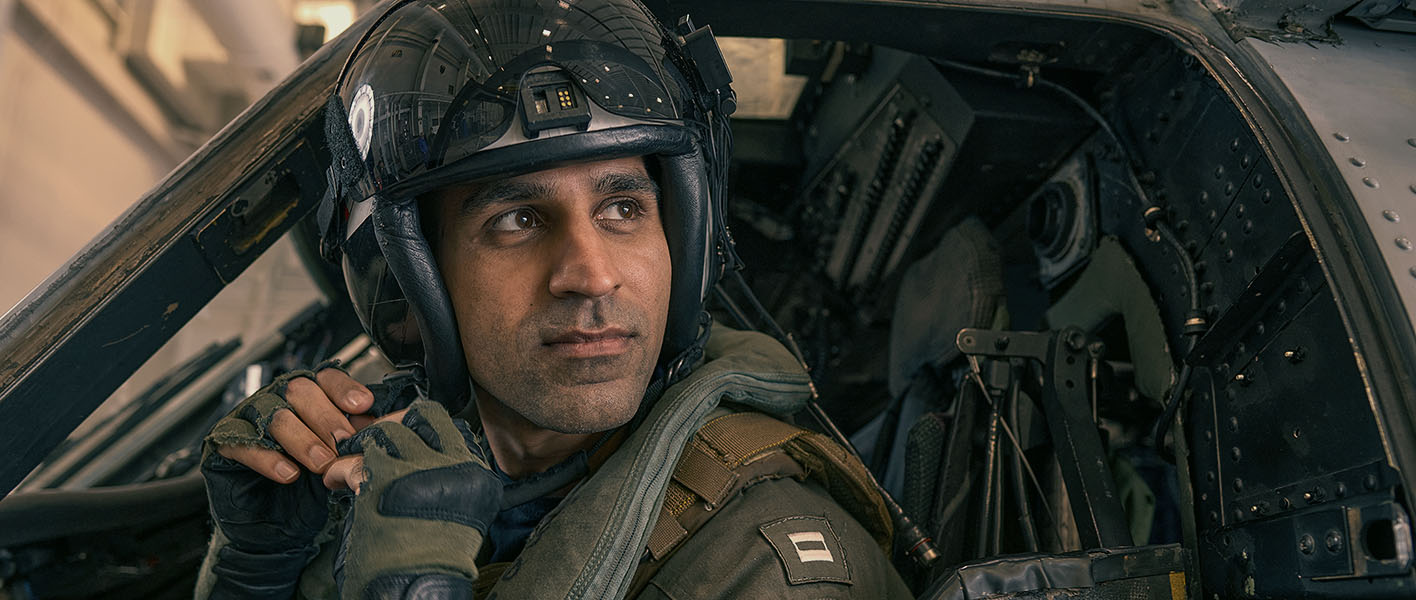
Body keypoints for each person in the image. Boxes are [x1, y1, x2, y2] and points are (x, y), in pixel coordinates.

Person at [194, 1, 914, 598]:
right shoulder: (382, 486)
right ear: (410, 280)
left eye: (624, 209)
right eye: (518, 220)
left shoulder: (775, 573)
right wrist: (256, 574)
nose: (591, 275)